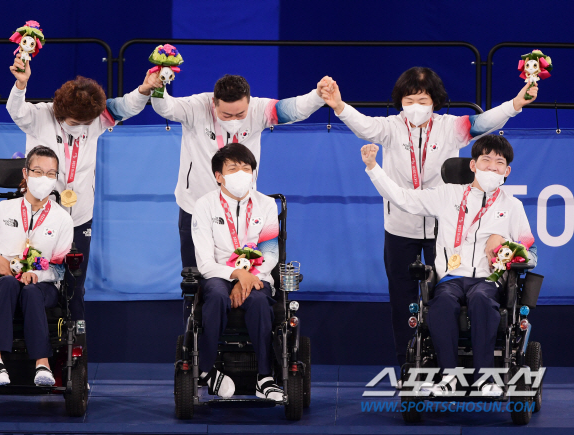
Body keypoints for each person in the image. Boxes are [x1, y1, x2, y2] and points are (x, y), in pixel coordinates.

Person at [320, 67, 539, 367]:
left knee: (446, 297)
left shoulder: (450, 127)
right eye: (408, 100)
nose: (415, 107)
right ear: (400, 101)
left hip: (443, 231)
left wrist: (514, 104)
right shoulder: (391, 127)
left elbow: (483, 122)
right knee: (403, 302)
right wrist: (339, 106)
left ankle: (449, 364)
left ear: (434, 101)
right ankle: (407, 366)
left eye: (422, 100)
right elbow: (364, 127)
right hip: (400, 227)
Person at [361, 135, 537, 396]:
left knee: (481, 299)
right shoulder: (448, 194)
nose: (492, 167)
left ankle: (485, 379)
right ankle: (449, 378)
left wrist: (505, 245)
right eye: (486, 160)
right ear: (473, 165)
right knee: (441, 303)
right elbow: (403, 198)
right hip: (450, 279)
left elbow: (531, 255)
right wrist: (373, 168)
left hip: (488, 281)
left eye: (499, 162)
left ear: (507, 171)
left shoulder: (513, 206)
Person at [6, 53, 158, 322]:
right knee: (34, 276)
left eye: (86, 124)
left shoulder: (96, 118)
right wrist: (21, 85)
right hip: (40, 214)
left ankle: (76, 337)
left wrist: (145, 89)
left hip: (79, 215)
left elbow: (125, 106)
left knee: (75, 284)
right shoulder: (40, 116)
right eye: (76, 123)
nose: (82, 128)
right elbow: (16, 110)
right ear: (61, 112)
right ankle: (32, 330)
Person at [147, 73, 330, 269]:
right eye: (226, 115)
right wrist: (158, 88)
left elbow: (292, 109)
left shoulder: (259, 110)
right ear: (214, 103)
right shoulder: (196, 107)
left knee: (245, 270)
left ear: (249, 102)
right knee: (194, 275)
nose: (233, 120)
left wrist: (317, 96)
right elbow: (166, 107)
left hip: (243, 208)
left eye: (240, 114)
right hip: (195, 205)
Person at [191, 143, 283, 401]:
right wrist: (237, 275)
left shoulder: (266, 205)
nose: (241, 173)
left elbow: (270, 253)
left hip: (257, 275)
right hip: (218, 274)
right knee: (217, 297)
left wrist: (248, 277)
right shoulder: (204, 205)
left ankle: (264, 378)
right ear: (219, 176)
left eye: (246, 168)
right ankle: (207, 370)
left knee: (260, 302)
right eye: (233, 168)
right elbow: (204, 262)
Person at [0, 146, 74, 386]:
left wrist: (37, 275)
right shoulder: (4, 209)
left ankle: (43, 364)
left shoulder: (62, 219)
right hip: (2, 281)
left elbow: (59, 268)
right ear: (26, 173)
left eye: (51, 174)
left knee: (31, 292)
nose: (44, 178)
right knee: (8, 284)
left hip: (42, 286)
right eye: (38, 171)